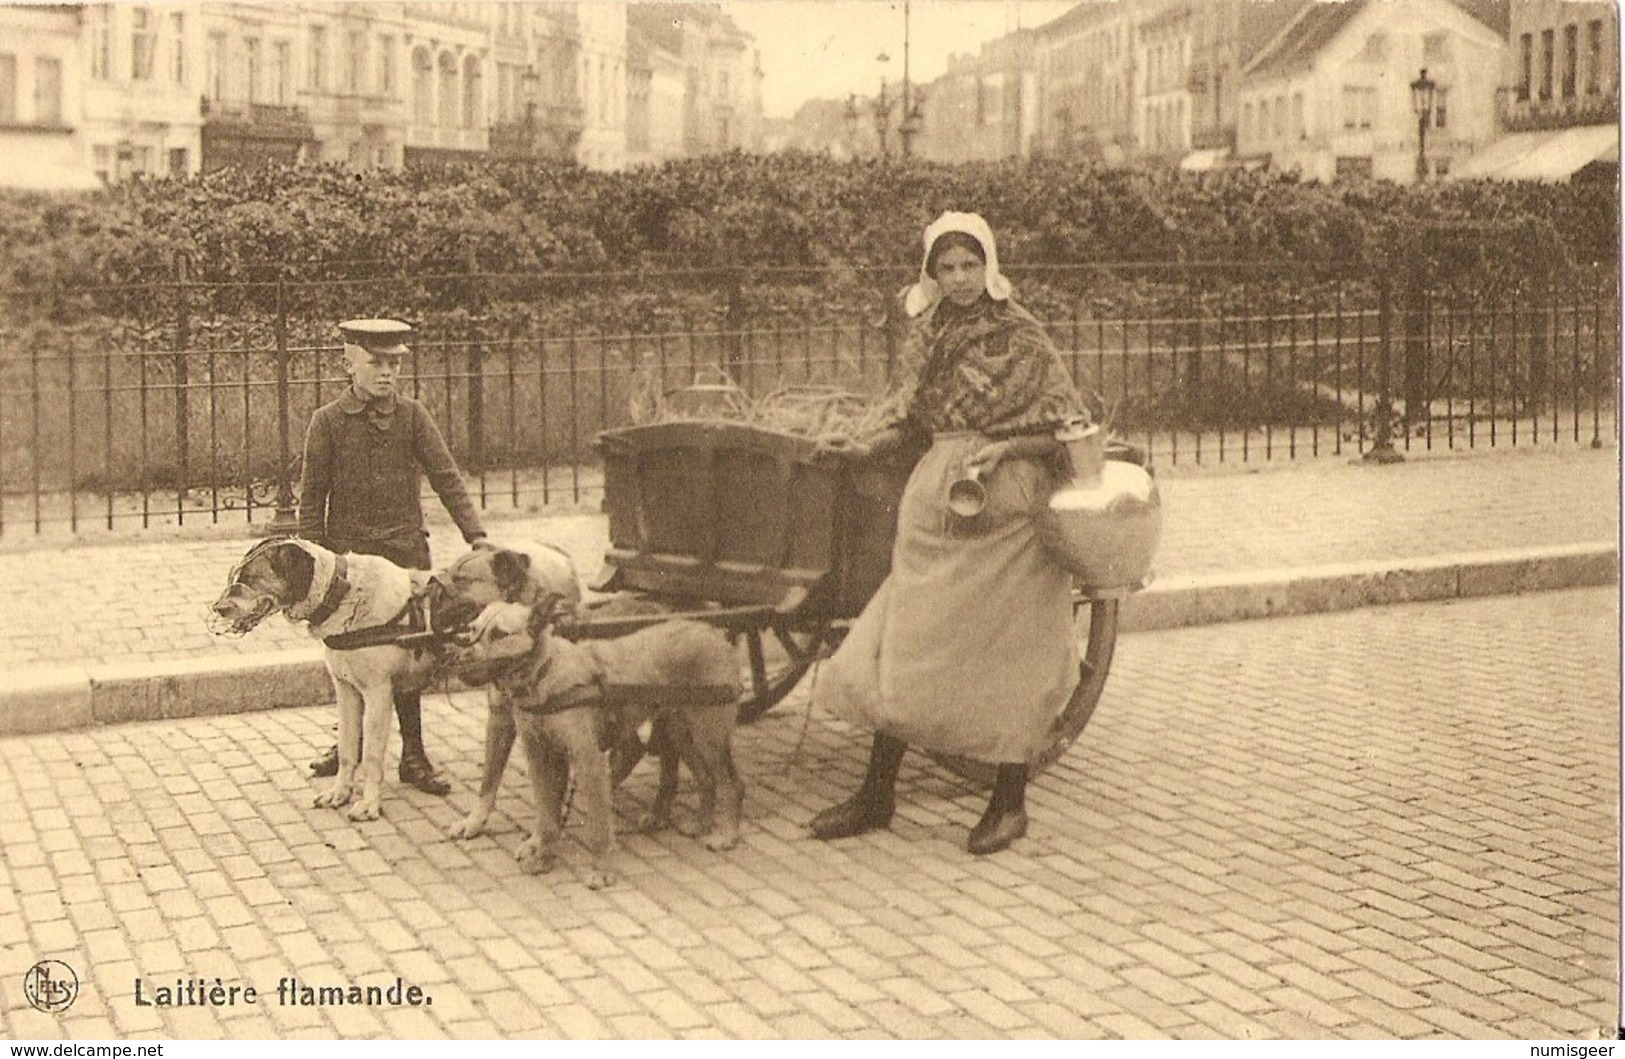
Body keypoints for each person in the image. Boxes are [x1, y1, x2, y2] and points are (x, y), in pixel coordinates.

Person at [810, 211, 1090, 856]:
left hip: (1008, 501)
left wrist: (1005, 446)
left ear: (989, 266)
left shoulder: (1020, 331)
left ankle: (1009, 802)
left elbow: (1067, 423)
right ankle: (877, 792)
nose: (961, 279)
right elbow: (908, 415)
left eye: (971, 265)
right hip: (937, 494)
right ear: (931, 273)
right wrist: (860, 441)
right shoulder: (927, 332)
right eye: (948, 267)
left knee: (1007, 651)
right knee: (910, 638)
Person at [300, 318, 489, 795]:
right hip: (351, 562)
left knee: (409, 651)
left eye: (394, 364)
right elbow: (311, 502)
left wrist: (477, 536)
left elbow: (447, 478)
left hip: (404, 555)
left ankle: (414, 755)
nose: (387, 373)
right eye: (376, 363)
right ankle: (351, 746)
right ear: (348, 363)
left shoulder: (412, 416)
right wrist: (315, 567)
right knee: (349, 653)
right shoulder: (326, 422)